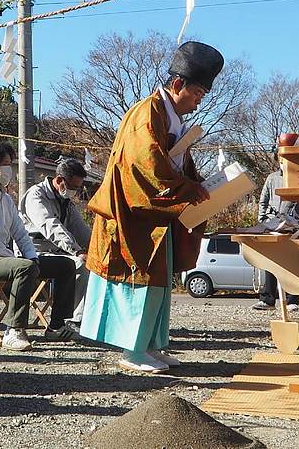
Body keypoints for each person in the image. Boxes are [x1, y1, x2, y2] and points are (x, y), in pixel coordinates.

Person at [81, 41, 223, 374]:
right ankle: (132, 350)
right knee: (139, 283)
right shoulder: (146, 115)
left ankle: (151, 345)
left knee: (157, 285)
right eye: (197, 94)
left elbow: (175, 165)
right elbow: (145, 169)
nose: (198, 102)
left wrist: (197, 183)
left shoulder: (169, 117)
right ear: (178, 85)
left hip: (157, 218)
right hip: (134, 218)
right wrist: (189, 189)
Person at [0, 143, 76, 351]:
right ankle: (13, 330)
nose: (9, 170)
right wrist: (21, 261)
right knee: (24, 267)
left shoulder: (5, 199)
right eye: (5, 164)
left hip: (4, 257)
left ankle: (56, 325)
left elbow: (21, 234)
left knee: (65, 265)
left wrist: (32, 257)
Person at [19, 158, 91, 332]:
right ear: (59, 180)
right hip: (32, 253)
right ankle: (71, 320)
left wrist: (98, 249)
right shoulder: (36, 195)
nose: (75, 192)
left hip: (55, 253)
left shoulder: (65, 201)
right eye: (73, 187)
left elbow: (81, 229)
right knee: (78, 263)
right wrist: (78, 250)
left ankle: (82, 319)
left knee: (91, 263)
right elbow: (50, 226)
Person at [252, 151, 299, 312]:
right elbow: (263, 200)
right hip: (272, 224)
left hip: (293, 226)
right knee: (270, 262)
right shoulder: (272, 178)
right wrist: (263, 221)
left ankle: (292, 299)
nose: (282, 162)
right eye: (280, 159)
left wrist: (297, 221)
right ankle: (268, 299)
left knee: (292, 263)